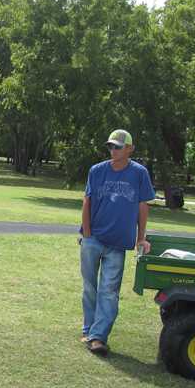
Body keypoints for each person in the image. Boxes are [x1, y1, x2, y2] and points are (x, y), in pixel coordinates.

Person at [80, 129, 155, 356]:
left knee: (109, 291)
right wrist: (88, 234)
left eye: (118, 147)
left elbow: (143, 206)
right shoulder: (97, 170)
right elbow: (87, 201)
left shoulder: (139, 173)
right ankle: (88, 328)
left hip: (118, 243)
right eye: (111, 146)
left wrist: (141, 237)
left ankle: (98, 337)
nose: (113, 150)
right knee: (90, 288)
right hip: (93, 239)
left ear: (130, 149)